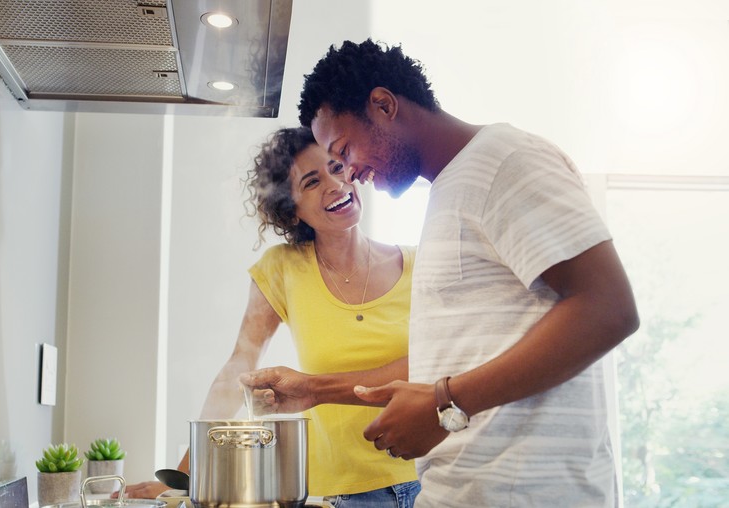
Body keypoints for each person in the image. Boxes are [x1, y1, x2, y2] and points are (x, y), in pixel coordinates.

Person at [249, 39, 640, 507]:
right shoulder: (450, 190)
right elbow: (470, 354)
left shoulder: (505, 161)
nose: (348, 174)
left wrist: (442, 405)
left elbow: (608, 308)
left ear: (384, 105)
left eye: (344, 151)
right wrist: (320, 389)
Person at [120, 126, 420, 507]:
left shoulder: (418, 264)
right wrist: (186, 478)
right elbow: (239, 367)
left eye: (337, 167)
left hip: (430, 478)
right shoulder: (283, 269)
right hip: (339, 494)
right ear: (292, 209)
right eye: (312, 182)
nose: (335, 185)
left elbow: (436, 365)